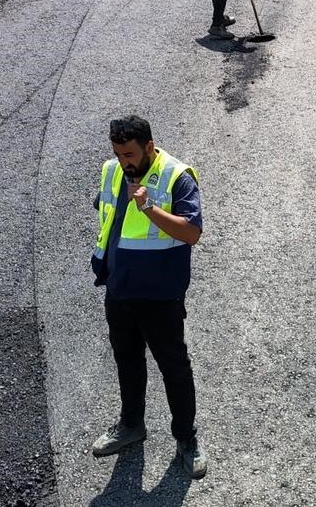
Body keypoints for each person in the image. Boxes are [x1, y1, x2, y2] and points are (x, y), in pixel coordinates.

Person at [91, 115, 207, 480]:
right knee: (127, 360)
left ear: (149, 147)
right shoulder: (112, 171)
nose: (123, 161)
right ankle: (131, 425)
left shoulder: (176, 176)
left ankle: (186, 439)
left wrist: (148, 208)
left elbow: (192, 233)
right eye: (117, 153)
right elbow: (109, 214)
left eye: (129, 154)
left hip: (159, 296)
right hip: (119, 290)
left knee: (174, 368)